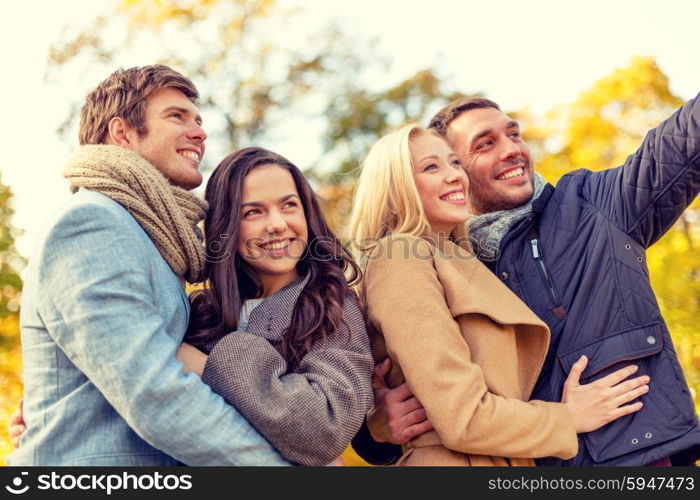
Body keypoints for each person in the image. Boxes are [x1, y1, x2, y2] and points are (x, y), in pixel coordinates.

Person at [354, 97, 700, 466]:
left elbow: (681, 143)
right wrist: (375, 431)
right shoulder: (436, 263)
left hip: (632, 458)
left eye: (514, 134)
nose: (511, 149)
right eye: (485, 144)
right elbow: (421, 391)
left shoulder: (593, 207)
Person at [7, 65, 289, 466]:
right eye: (177, 116)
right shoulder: (92, 222)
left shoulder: (150, 239)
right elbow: (153, 392)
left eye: (199, 120)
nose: (200, 132)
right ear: (121, 132)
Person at [174, 147, 373, 466]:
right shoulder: (199, 314)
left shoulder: (331, 306)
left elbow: (326, 426)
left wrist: (206, 364)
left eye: (289, 205)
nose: (277, 224)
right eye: (253, 212)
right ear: (226, 226)